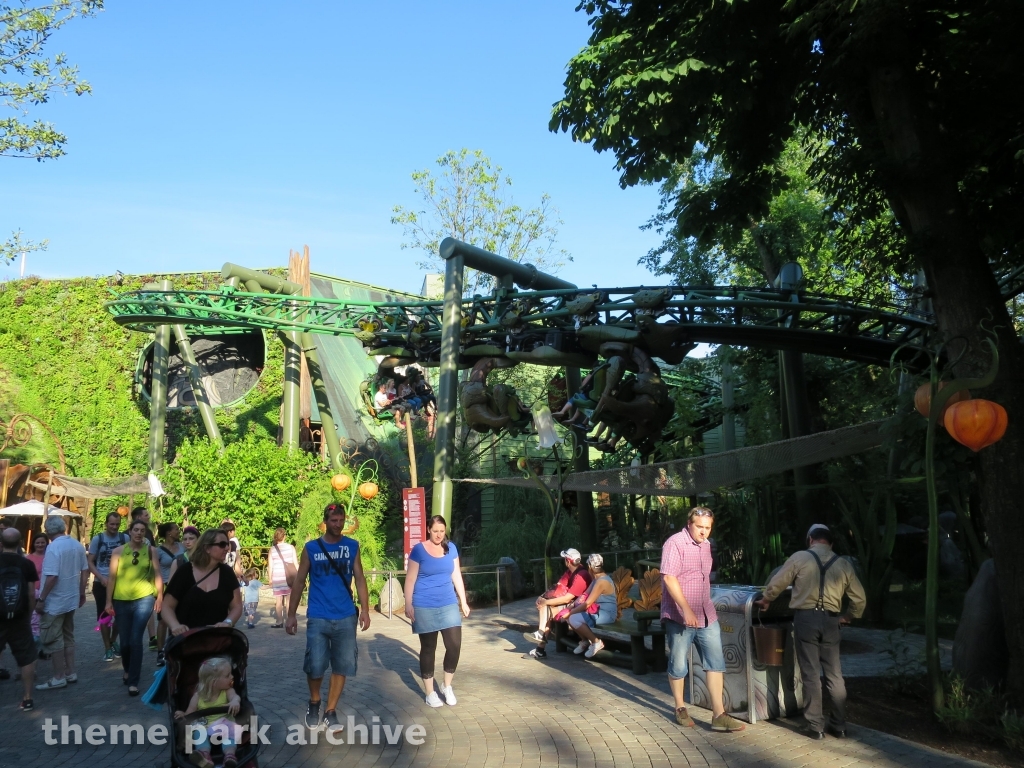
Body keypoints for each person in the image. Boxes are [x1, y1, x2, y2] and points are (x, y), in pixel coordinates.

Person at [755, 524, 867, 740]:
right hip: (832, 621)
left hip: (806, 619)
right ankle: (840, 725)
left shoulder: (800, 557)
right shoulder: (843, 563)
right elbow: (859, 599)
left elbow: (777, 582)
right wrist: (848, 617)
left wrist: (767, 599)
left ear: (810, 540)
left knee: (811, 673)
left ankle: (816, 726)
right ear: (831, 543)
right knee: (835, 674)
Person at [286, 502, 371, 734]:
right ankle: (314, 702)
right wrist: (291, 614)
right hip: (318, 615)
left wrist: (365, 609)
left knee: (341, 665)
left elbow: (360, 578)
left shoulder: (352, 546)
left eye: (341, 520)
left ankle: (330, 711)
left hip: (345, 615)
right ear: (325, 522)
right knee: (315, 665)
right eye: (333, 520)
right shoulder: (311, 548)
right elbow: (300, 581)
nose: (338, 524)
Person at [661, 506, 745, 732]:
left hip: (707, 615)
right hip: (680, 616)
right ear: (689, 524)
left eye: (707, 528)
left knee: (715, 663)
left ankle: (719, 714)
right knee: (678, 665)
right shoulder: (675, 543)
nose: (704, 532)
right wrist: (686, 609)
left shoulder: (707, 546)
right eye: (699, 527)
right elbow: (669, 578)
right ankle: (680, 707)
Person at [404, 515, 471, 707]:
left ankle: (446, 686)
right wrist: (408, 603)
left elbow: (456, 574)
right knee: (428, 648)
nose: (439, 535)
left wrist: (463, 601)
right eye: (435, 531)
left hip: (448, 602)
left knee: (454, 645)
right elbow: (410, 579)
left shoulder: (451, 548)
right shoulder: (419, 550)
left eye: (442, 531)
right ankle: (430, 692)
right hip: (424, 604)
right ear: (428, 530)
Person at [105, 519, 163, 696]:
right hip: (121, 599)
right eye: (135, 530)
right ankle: (127, 669)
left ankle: (133, 681)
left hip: (144, 598)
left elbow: (157, 574)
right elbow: (112, 578)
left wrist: (159, 596)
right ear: (129, 532)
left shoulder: (151, 551)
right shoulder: (118, 552)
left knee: (136, 639)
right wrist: (108, 602)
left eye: (142, 530)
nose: (138, 533)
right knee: (125, 641)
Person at [35, 515, 89, 691]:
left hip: (55, 601)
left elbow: (52, 577)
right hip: (71, 598)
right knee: (68, 635)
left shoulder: (53, 548)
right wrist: (81, 592)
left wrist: (41, 599)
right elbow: (84, 571)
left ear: (48, 531)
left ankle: (58, 676)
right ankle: (70, 672)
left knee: (52, 637)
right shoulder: (76, 545)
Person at [162, 529, 243, 636]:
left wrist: (228, 622)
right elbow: (167, 606)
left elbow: (237, 606)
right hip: (187, 640)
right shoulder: (185, 571)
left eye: (227, 544)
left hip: (218, 640)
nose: (227, 548)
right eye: (222, 544)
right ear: (207, 548)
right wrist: (175, 626)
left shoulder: (227, 573)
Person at [173, 656, 244, 768]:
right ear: (213, 682)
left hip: (223, 725)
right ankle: (204, 755)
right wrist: (183, 714)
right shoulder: (198, 697)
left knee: (229, 735)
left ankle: (230, 755)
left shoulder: (227, 691)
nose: (232, 677)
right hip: (204, 726)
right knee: (197, 730)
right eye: (227, 675)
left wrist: (235, 702)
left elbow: (235, 697)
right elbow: (190, 714)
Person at [528, 548, 592, 660]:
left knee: (546, 608)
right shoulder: (569, 572)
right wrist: (542, 597)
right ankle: (540, 642)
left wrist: (546, 601)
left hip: (581, 607)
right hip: (572, 604)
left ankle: (540, 645)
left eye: (565, 559)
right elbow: (557, 587)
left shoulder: (581, 575)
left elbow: (568, 599)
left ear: (568, 561)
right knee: (545, 609)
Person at [0, 527, 39, 710]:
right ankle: (27, 698)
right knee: (26, 658)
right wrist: (29, 615)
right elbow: (31, 594)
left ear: (1, 543)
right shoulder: (26, 564)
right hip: (20, 618)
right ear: (21, 543)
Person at [88, 513, 128, 662]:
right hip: (101, 582)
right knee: (105, 616)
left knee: (120, 616)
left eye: (117, 524)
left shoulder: (125, 539)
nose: (114, 527)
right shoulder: (98, 539)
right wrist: (101, 577)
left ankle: (112, 641)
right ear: (106, 524)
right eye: (111, 524)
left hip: (120, 583)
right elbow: (90, 561)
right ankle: (107, 648)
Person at [563, 553, 617, 658]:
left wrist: (570, 612)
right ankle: (585, 641)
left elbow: (587, 604)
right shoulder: (596, 579)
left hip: (607, 614)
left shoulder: (601, 582)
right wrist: (571, 606)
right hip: (597, 611)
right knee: (570, 617)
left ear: (589, 567)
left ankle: (596, 642)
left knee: (573, 618)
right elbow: (584, 595)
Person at [155, 522, 184, 666]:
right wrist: (159, 593)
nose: (179, 531)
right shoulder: (158, 551)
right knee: (162, 620)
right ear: (168, 533)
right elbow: (156, 572)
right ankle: (161, 651)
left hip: (181, 586)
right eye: (176, 529)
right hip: (166, 586)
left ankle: (173, 647)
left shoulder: (183, 547)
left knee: (177, 618)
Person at [268, 528, 297, 628]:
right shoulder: (291, 547)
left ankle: (279, 621)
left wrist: (270, 579)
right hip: (289, 577)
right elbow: (295, 563)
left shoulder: (272, 550)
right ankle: (289, 620)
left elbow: (270, 566)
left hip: (277, 577)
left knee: (278, 601)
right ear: (285, 536)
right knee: (289, 600)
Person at [26, 533, 48, 644]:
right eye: (37, 542)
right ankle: (35, 644)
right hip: (33, 592)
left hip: (47, 592)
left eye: (42, 542)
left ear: (46, 543)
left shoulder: (50, 556)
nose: (40, 545)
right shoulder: (28, 558)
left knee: (46, 620)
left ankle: (44, 645)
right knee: (34, 620)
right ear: (33, 544)